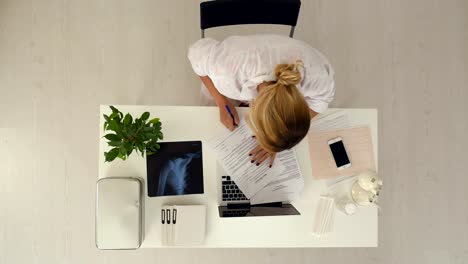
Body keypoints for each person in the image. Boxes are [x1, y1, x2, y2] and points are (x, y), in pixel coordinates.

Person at [188, 34, 335, 167]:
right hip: (238, 63)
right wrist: (221, 101)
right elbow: (195, 53)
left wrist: (273, 142)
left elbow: (322, 100)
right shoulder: (226, 68)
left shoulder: (318, 76)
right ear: (254, 111)